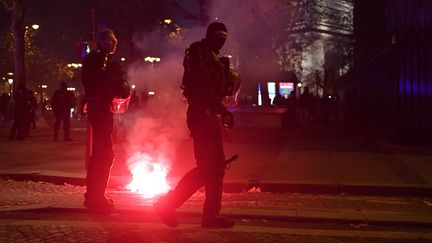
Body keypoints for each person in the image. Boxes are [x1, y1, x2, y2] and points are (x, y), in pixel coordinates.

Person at [154, 22, 240, 229]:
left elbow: (218, 86)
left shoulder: (212, 56)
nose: (222, 40)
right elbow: (202, 87)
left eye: (224, 36)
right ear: (210, 35)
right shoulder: (198, 52)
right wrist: (223, 110)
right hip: (201, 114)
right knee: (207, 167)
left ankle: (210, 215)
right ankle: (168, 205)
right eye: (219, 35)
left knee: (216, 167)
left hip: (209, 114)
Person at [81, 28, 130, 211]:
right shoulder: (101, 58)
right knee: (104, 154)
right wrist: (118, 82)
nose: (115, 43)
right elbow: (102, 82)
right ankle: (97, 198)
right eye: (111, 40)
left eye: (115, 39)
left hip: (98, 107)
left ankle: (93, 195)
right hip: (101, 108)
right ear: (102, 41)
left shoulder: (94, 58)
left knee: (101, 154)